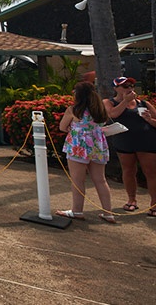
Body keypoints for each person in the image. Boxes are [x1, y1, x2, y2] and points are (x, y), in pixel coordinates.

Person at [55, 81, 115, 223]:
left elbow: (62, 127)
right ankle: (108, 213)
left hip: (79, 146)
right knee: (101, 180)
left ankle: (77, 211)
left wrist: (73, 127)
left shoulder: (74, 109)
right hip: (97, 146)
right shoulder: (100, 109)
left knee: (78, 180)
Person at [103, 76, 156, 216]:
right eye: (125, 86)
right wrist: (125, 101)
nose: (129, 88)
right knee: (128, 171)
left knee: (151, 172)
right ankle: (131, 200)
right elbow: (113, 114)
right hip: (124, 142)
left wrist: (149, 120)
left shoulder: (143, 103)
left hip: (147, 141)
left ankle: (154, 204)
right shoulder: (109, 102)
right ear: (115, 88)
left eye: (131, 85)